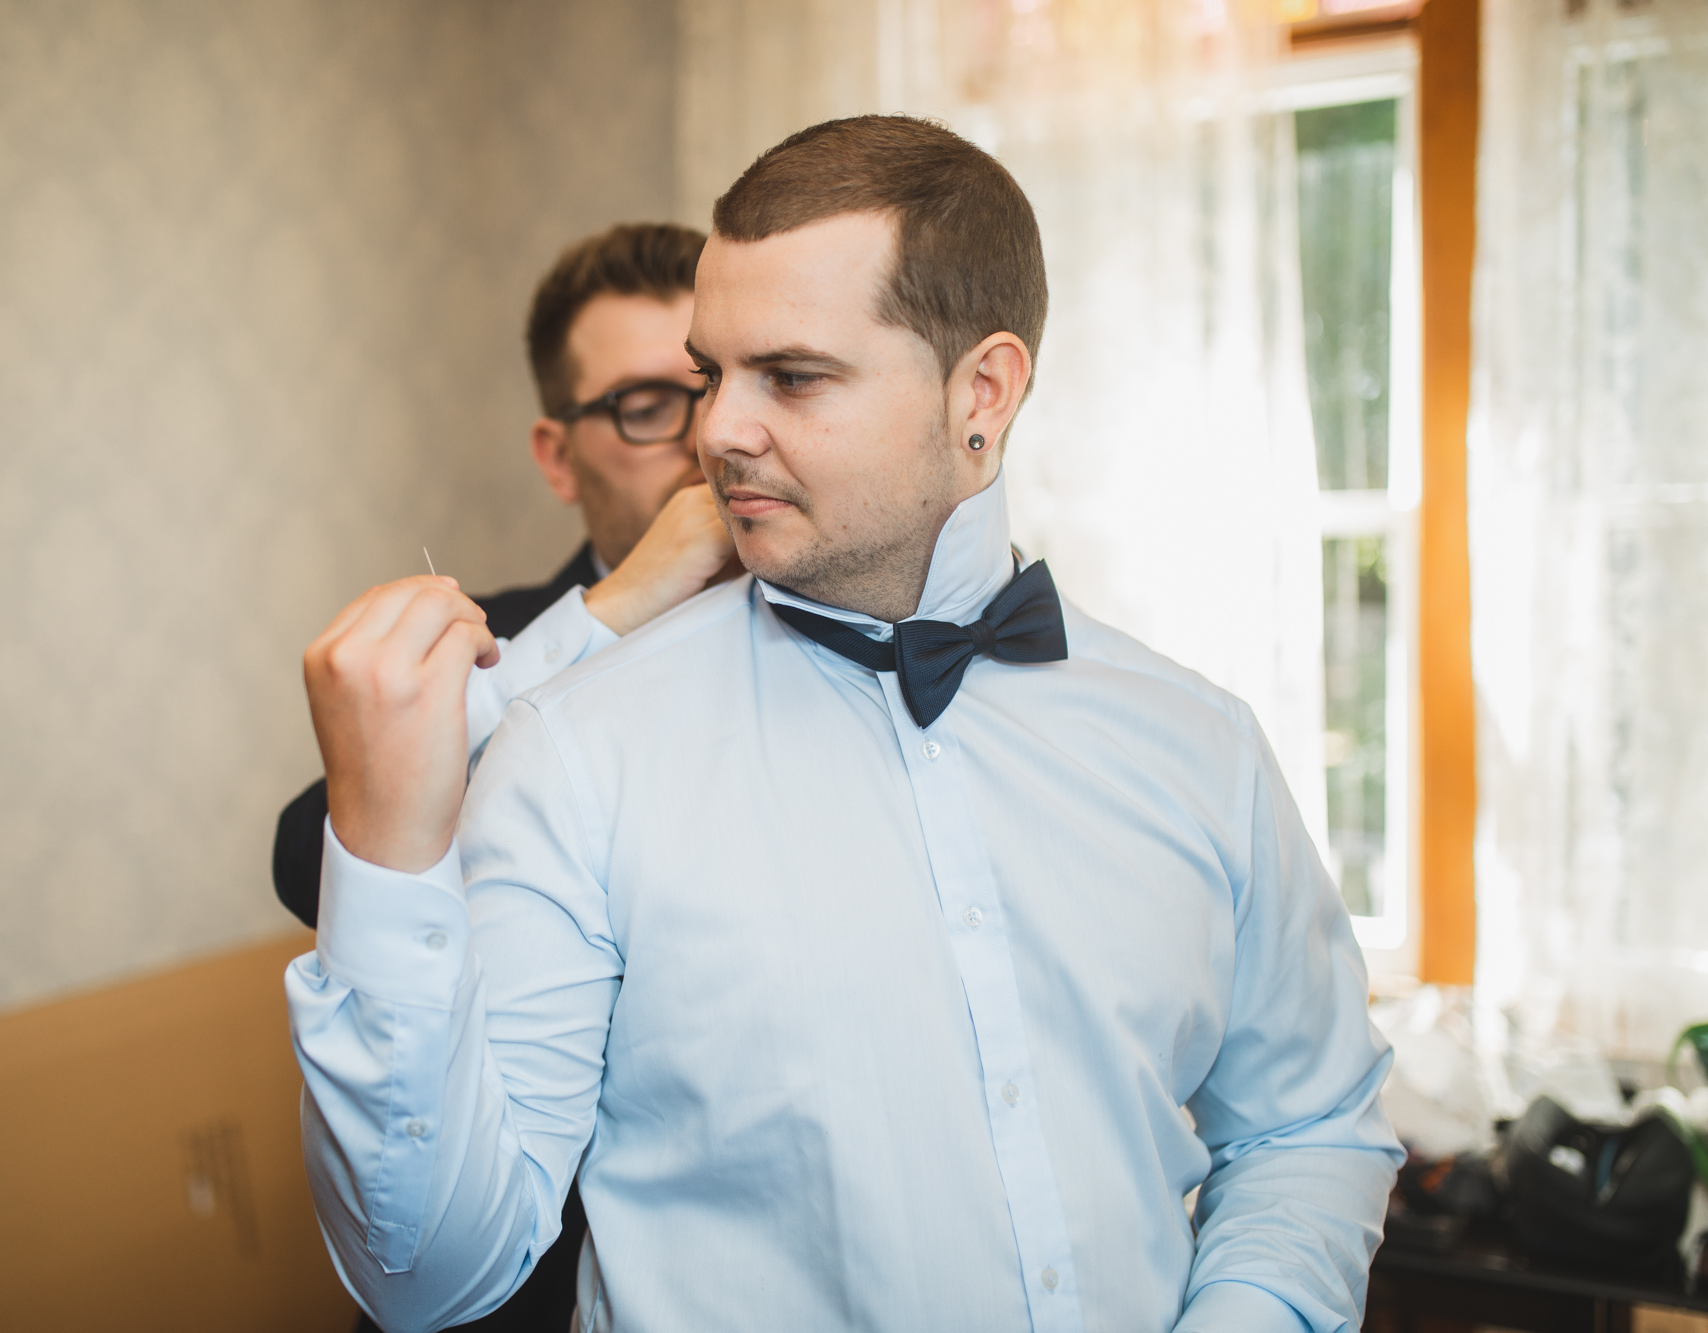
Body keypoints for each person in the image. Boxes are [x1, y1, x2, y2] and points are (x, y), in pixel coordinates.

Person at [289, 116, 1404, 1333]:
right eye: (713, 373)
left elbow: (1306, 1123)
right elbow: (429, 1274)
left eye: (794, 376)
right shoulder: (578, 757)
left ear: (981, 391)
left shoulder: (1200, 746)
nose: (715, 431)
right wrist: (387, 862)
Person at [274, 222, 732, 1333]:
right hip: (508, 1285)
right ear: (555, 451)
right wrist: (623, 606)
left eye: (711, 384)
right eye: (642, 403)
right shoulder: (504, 640)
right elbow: (306, 848)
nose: (703, 437)